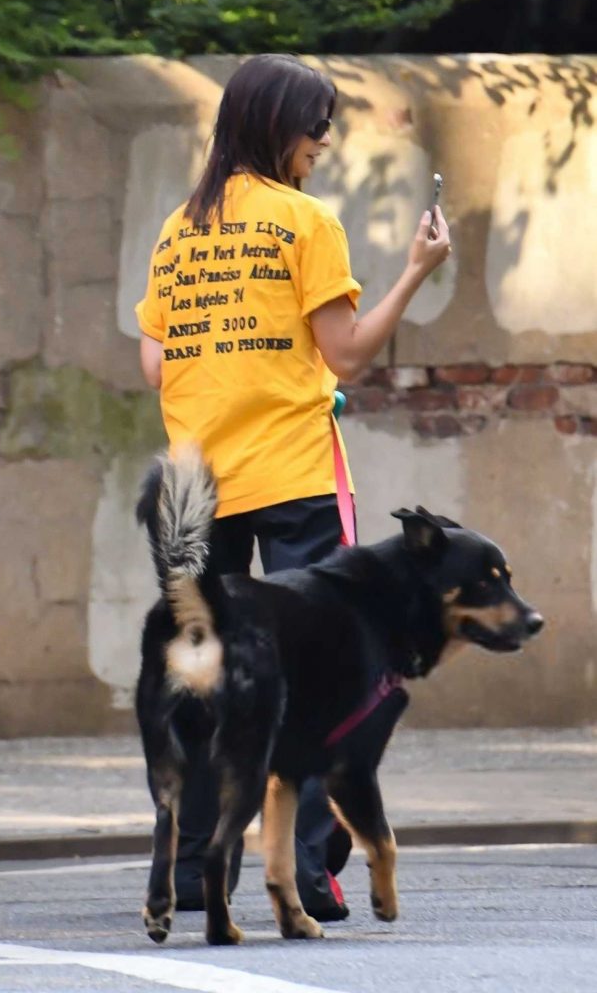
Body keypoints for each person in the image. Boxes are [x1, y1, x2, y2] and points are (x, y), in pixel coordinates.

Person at [135, 52, 450, 921]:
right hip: (292, 475)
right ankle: (305, 869)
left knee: (198, 672)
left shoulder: (177, 231)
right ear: (277, 125)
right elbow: (345, 350)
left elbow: (159, 365)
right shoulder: (303, 222)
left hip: (198, 485)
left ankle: (203, 866)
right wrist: (417, 270)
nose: (322, 141)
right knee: (315, 676)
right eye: (316, 125)